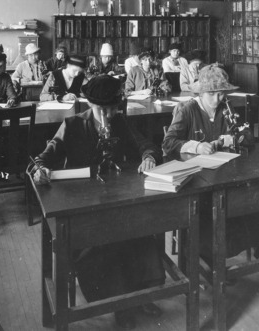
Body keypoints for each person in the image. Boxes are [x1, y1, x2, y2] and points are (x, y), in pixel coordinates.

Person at [30, 75, 164, 329]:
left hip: (115, 201)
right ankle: (119, 305)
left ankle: (142, 295)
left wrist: (148, 157)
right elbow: (44, 157)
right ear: (90, 105)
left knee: (142, 232)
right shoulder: (72, 125)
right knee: (102, 247)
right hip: (83, 208)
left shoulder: (119, 122)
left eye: (113, 109)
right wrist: (40, 168)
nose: (108, 116)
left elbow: (146, 145)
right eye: (102, 110)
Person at [162, 64, 259, 259]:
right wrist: (196, 146)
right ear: (201, 93)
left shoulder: (226, 108)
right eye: (211, 95)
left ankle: (255, 249)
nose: (217, 99)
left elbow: (248, 139)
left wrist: (230, 138)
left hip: (225, 174)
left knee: (255, 196)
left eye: (221, 94)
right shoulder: (187, 110)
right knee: (210, 211)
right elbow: (168, 143)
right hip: (197, 179)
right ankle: (210, 259)